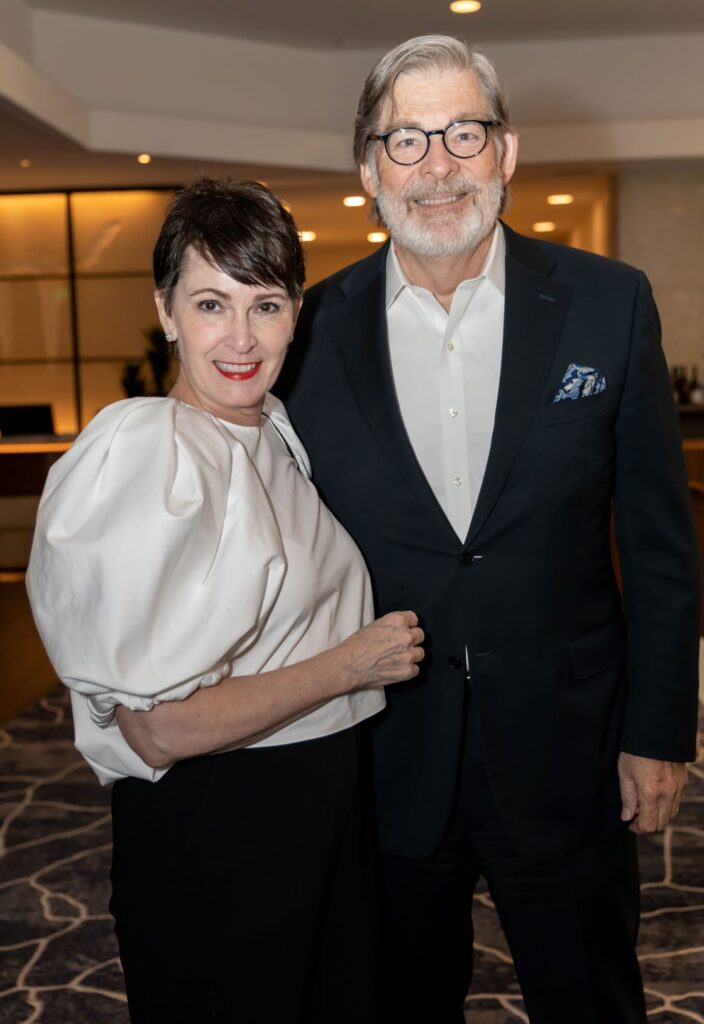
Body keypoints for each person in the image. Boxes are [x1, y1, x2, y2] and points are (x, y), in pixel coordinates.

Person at [275, 35, 700, 1024]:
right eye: (407, 139)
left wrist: (657, 732)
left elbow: (659, 547)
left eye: (462, 133)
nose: (437, 166)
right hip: (383, 754)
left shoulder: (607, 304)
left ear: (505, 152)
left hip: (569, 750)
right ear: (369, 169)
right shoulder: (309, 332)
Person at [26, 178, 424, 1024]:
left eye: (266, 305)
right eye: (211, 304)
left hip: (315, 813)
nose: (241, 338)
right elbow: (160, 729)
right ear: (165, 311)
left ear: (296, 314)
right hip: (221, 832)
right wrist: (352, 665)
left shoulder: (268, 429)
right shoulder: (150, 450)